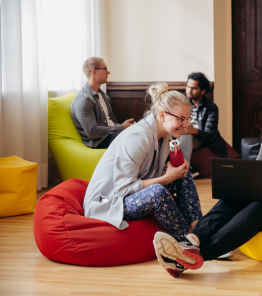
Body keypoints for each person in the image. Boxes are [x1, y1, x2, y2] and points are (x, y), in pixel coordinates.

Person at [153, 78, 262, 277]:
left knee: (256, 209)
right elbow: (257, 170)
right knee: (230, 200)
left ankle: (193, 256)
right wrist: (243, 183)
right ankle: (192, 240)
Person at [83, 82, 203, 275]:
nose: (186, 125)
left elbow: (148, 170)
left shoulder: (164, 135)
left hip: (129, 193)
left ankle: (199, 232)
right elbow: (123, 189)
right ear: (162, 115)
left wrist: (171, 171)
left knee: (184, 174)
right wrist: (165, 178)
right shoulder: (138, 137)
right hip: (109, 201)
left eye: (187, 119)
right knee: (158, 192)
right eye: (181, 119)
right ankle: (187, 244)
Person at [71, 57, 135, 149]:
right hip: (100, 141)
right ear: (94, 72)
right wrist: (121, 127)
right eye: (105, 69)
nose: (108, 72)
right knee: (135, 137)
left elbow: (111, 123)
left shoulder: (103, 95)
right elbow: (92, 132)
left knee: (142, 131)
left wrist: (128, 127)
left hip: (112, 135)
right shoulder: (84, 99)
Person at [179, 72, 228, 177]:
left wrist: (193, 130)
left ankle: (185, 169)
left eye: (193, 88)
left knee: (185, 134)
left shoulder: (211, 107)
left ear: (203, 91)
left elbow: (210, 135)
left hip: (199, 138)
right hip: (180, 134)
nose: (189, 91)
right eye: (188, 87)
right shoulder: (182, 103)